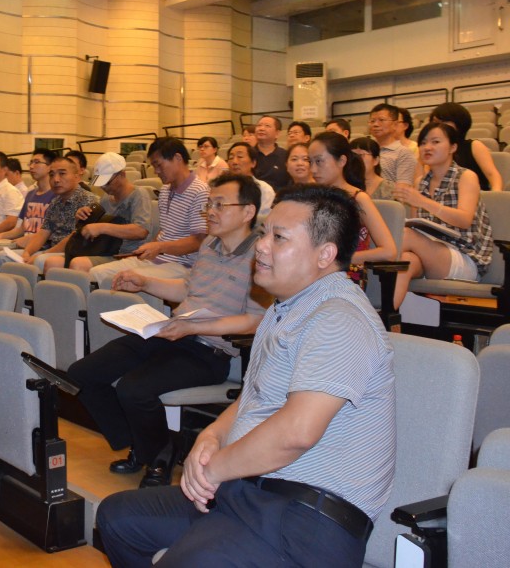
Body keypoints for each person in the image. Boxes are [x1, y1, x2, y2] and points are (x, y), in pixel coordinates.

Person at [97, 185, 396, 568]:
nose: (262, 246)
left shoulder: (339, 317)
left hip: (304, 518)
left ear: (325, 255)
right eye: (265, 233)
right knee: (119, 518)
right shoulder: (282, 310)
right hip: (250, 492)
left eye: (279, 237)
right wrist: (213, 435)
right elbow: (254, 397)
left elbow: (296, 433)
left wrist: (215, 466)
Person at [68, 174, 266, 488]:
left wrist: (196, 325)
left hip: (210, 351)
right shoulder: (210, 245)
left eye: (219, 204)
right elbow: (188, 288)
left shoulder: (261, 255)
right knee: (82, 373)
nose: (210, 211)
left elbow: (256, 321)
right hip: (173, 333)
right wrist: (145, 282)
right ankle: (144, 443)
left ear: (247, 212)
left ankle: (158, 454)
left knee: (133, 388)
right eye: (208, 204)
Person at [392, 122, 494, 310]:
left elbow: (464, 220)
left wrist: (423, 202)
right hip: (430, 253)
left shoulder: (466, 176)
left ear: (453, 147)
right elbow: (416, 225)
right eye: (423, 143)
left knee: (404, 237)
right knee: (403, 262)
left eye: (436, 142)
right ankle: (383, 320)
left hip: (465, 257)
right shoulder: (420, 182)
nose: (427, 147)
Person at [90, 138, 208, 290]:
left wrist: (159, 247)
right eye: (153, 166)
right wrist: (150, 248)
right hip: (158, 259)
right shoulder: (165, 190)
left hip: (182, 265)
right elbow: (166, 230)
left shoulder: (200, 191)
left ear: (177, 158)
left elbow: (199, 242)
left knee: (124, 278)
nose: (156, 171)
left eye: (159, 165)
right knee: (95, 273)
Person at [308, 132, 397, 266]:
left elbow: (388, 252)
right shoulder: (311, 197)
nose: (313, 169)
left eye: (319, 161)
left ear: (342, 161)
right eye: (310, 162)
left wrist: (337, 260)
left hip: (346, 275)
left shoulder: (359, 198)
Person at [61, 152, 154, 273]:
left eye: (108, 183)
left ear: (122, 174)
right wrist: (83, 215)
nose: (104, 187)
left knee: (78, 264)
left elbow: (141, 231)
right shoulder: (106, 198)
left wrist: (102, 227)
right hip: (106, 251)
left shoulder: (139, 195)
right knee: (54, 262)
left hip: (128, 255)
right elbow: (95, 225)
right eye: (101, 183)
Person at [20, 156, 96, 273]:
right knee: (4, 257)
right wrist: (27, 252)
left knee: (41, 260)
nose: (56, 179)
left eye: (62, 174)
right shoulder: (56, 201)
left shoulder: (88, 201)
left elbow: (75, 238)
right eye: (51, 175)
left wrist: (44, 254)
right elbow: (44, 231)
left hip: (73, 253)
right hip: (51, 250)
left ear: (77, 176)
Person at [0, 148, 56, 268]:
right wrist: (0, 236)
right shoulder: (31, 194)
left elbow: (53, 232)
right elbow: (22, 229)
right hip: (23, 245)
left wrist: (30, 240)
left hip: (42, 247)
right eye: (30, 163)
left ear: (50, 167)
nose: (31, 166)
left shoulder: (56, 196)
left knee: (1, 257)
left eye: (36, 162)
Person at [429, 102, 503, 192]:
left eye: (444, 122)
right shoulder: (432, 150)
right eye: (435, 122)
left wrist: (495, 197)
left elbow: (492, 175)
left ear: (458, 123)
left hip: (476, 198)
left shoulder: (474, 146)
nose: (438, 127)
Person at [368, 103, 415, 186]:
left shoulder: (403, 153)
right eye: (372, 121)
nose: (375, 124)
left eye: (381, 120)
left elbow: (402, 189)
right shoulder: (364, 150)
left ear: (395, 125)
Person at [226, 142, 275, 213]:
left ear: (253, 163)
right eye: (231, 158)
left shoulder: (264, 189)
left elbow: (261, 219)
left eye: (240, 157)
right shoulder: (223, 188)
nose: (234, 162)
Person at [252, 116, 289, 191]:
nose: (261, 128)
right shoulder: (248, 154)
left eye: (267, 126)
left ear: (277, 133)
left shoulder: (286, 156)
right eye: (259, 125)